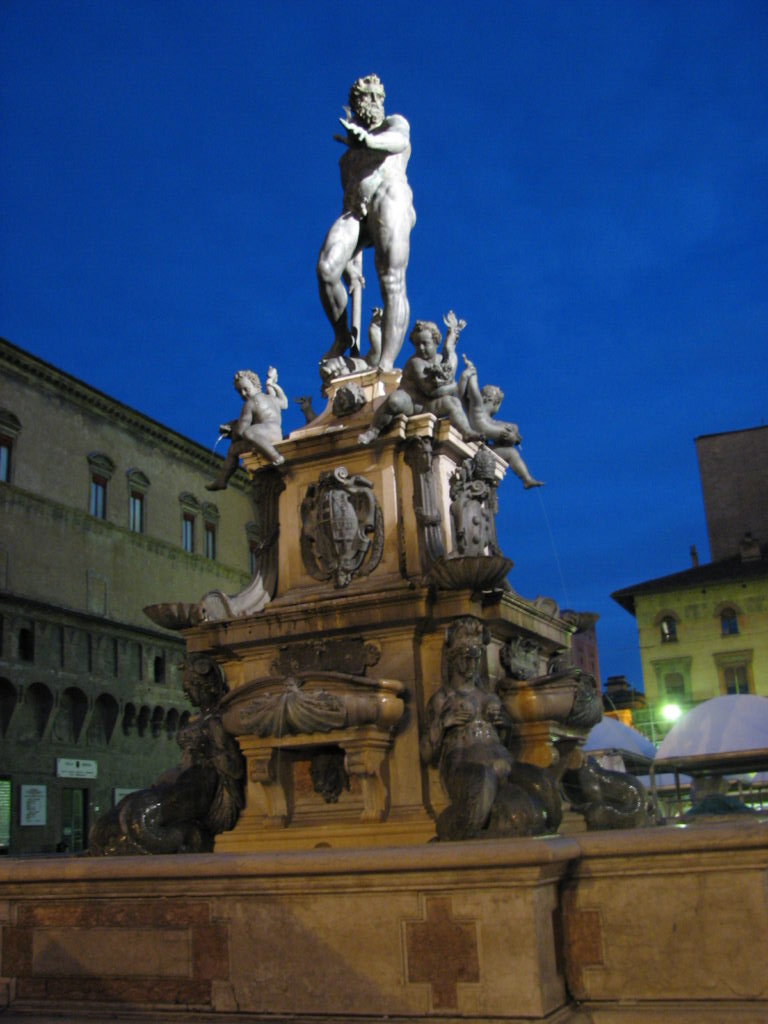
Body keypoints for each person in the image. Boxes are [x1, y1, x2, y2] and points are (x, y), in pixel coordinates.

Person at [317, 74, 416, 371]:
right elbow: (350, 193)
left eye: (377, 97)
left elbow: (398, 142)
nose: (373, 102)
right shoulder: (347, 160)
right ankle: (342, 337)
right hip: (355, 211)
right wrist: (352, 260)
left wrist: (368, 141)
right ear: (355, 103)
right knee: (327, 269)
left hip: (390, 197)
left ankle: (385, 363)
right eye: (366, 96)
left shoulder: (393, 125)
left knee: (391, 278)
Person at [358, 312, 481, 445]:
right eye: (417, 345)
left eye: (425, 343)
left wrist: (451, 335)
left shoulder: (441, 360)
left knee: (453, 403)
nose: (421, 348)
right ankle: (374, 430)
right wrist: (456, 386)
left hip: (428, 405)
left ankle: (466, 431)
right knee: (394, 400)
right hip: (411, 403)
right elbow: (431, 391)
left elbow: (449, 352)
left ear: (435, 342)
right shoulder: (415, 363)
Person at [458, 355, 543, 488]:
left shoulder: (489, 418)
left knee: (512, 452)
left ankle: (526, 479)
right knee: (511, 433)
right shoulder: (477, 407)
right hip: (475, 443)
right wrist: (472, 371)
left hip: (484, 448)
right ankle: (526, 479)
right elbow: (472, 390)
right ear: (495, 402)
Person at [206, 369, 287, 491]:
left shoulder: (250, 403)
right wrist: (272, 384)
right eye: (240, 391)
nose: (243, 394)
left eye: (245, 389)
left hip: (264, 434)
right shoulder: (271, 398)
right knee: (233, 449)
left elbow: (241, 431)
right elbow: (284, 403)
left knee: (248, 433)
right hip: (275, 434)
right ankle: (221, 481)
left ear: (255, 386)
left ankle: (276, 457)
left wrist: (231, 430)